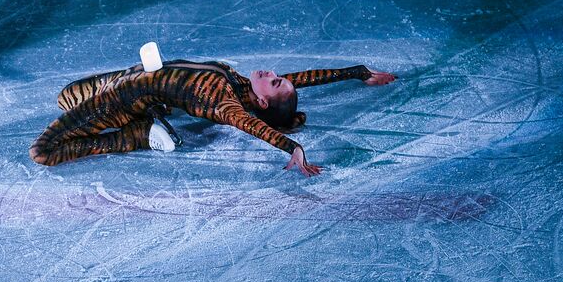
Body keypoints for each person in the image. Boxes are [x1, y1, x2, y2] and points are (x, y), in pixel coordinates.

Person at [29, 54, 397, 175]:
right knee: (66, 97)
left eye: (275, 82)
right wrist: (359, 72)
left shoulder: (229, 106)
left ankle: (140, 135)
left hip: (120, 98)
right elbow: (308, 78)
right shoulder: (240, 84)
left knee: (43, 152)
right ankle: (146, 125)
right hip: (130, 75)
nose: (272, 74)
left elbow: (254, 128)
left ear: (263, 102)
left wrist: (293, 149)